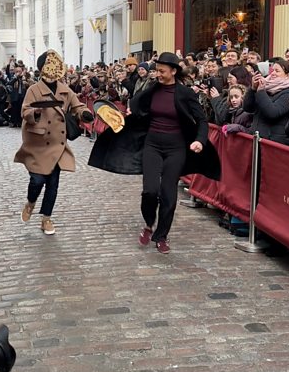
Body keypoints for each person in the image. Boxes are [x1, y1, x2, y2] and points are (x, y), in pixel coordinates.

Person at [89, 52, 220, 253]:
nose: (157, 74)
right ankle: (149, 223)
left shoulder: (186, 94)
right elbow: (138, 107)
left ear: (173, 71)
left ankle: (162, 235)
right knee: (150, 190)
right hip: (152, 146)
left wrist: (200, 141)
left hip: (176, 149)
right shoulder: (152, 90)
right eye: (156, 70)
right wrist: (131, 114)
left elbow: (201, 120)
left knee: (168, 193)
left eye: (161, 71)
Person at [14, 50, 93, 235]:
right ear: (42, 69)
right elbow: (24, 111)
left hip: (57, 144)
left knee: (53, 184)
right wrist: (35, 113)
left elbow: (77, 105)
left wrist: (84, 113)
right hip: (37, 143)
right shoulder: (34, 89)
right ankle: (30, 202)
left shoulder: (65, 90)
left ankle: (46, 219)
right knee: (37, 180)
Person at [243, 58, 289, 145]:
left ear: (288, 75)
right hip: (257, 138)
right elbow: (248, 108)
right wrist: (253, 89)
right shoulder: (266, 87)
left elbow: (273, 112)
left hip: (274, 142)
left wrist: (261, 91)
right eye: (272, 70)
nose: (273, 73)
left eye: (277, 71)